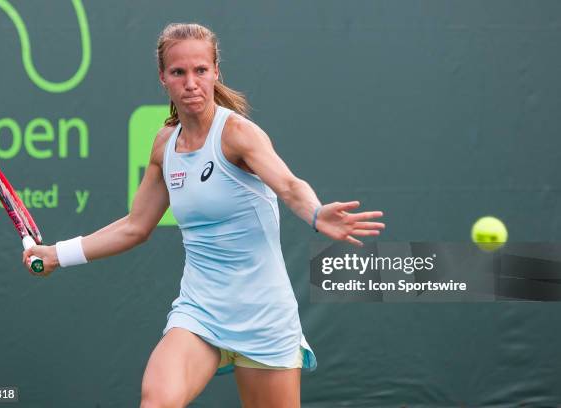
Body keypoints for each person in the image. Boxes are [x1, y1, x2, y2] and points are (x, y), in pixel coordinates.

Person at [23, 22, 385, 408]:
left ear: (215, 72)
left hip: (263, 316)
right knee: (156, 402)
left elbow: (289, 185)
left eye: (200, 70)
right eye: (178, 72)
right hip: (200, 313)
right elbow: (135, 226)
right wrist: (58, 253)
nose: (191, 82)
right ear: (163, 78)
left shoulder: (239, 134)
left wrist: (315, 213)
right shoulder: (165, 145)